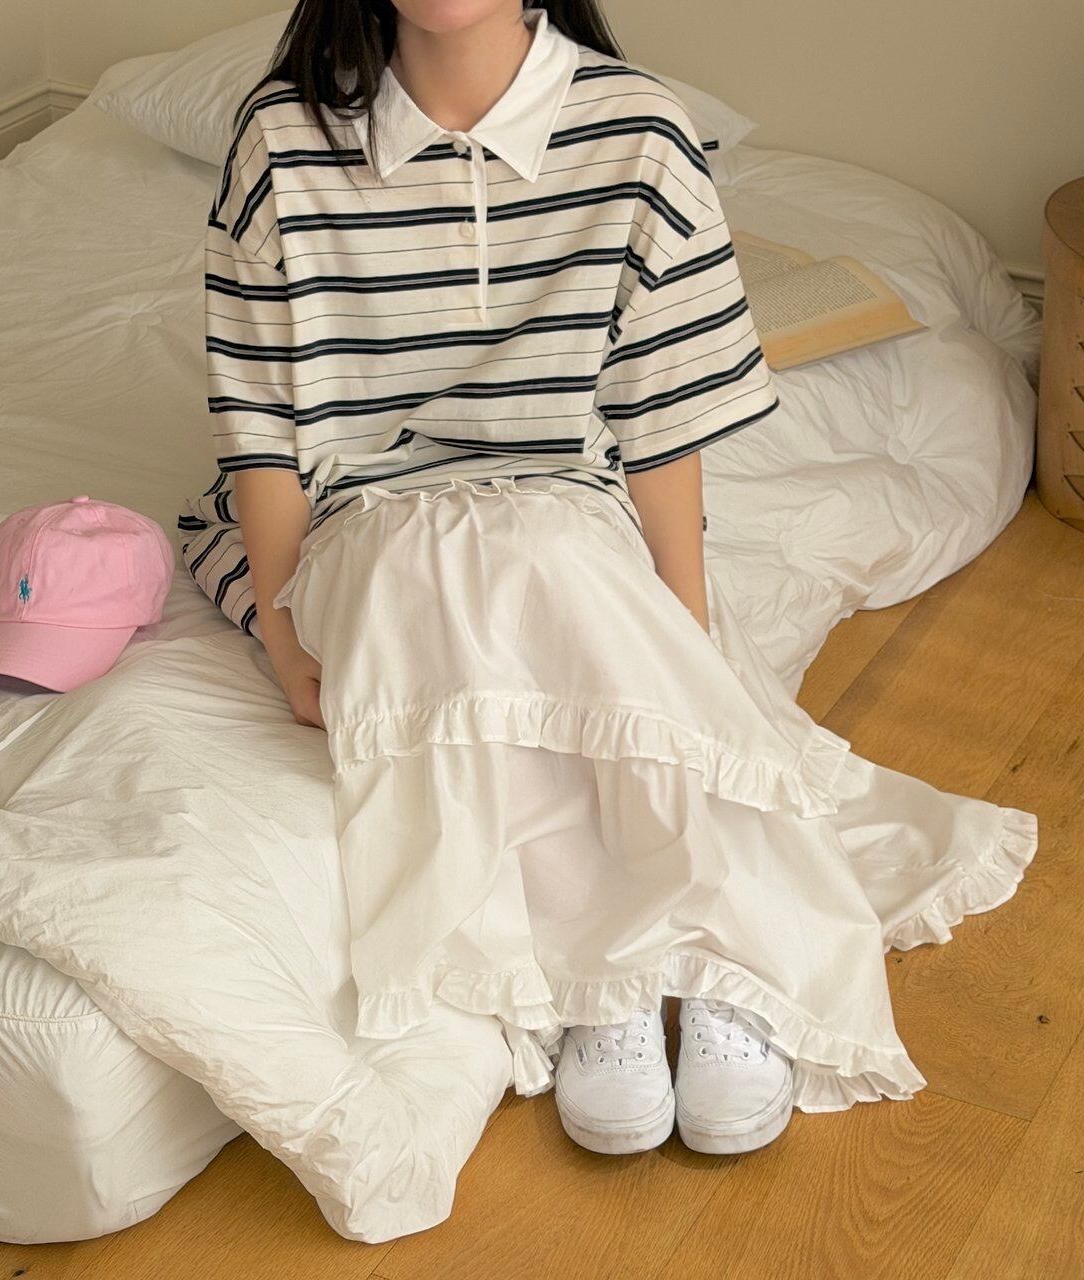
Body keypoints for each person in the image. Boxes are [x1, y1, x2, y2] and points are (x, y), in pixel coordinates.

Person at [178, 0, 1038, 1157]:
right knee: (449, 562)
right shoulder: (280, 141)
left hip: (567, 510)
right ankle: (612, 980)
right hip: (363, 528)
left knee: (547, 554)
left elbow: (659, 416)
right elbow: (261, 430)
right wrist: (288, 644)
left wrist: (680, 637)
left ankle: (716, 970)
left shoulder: (637, 132)